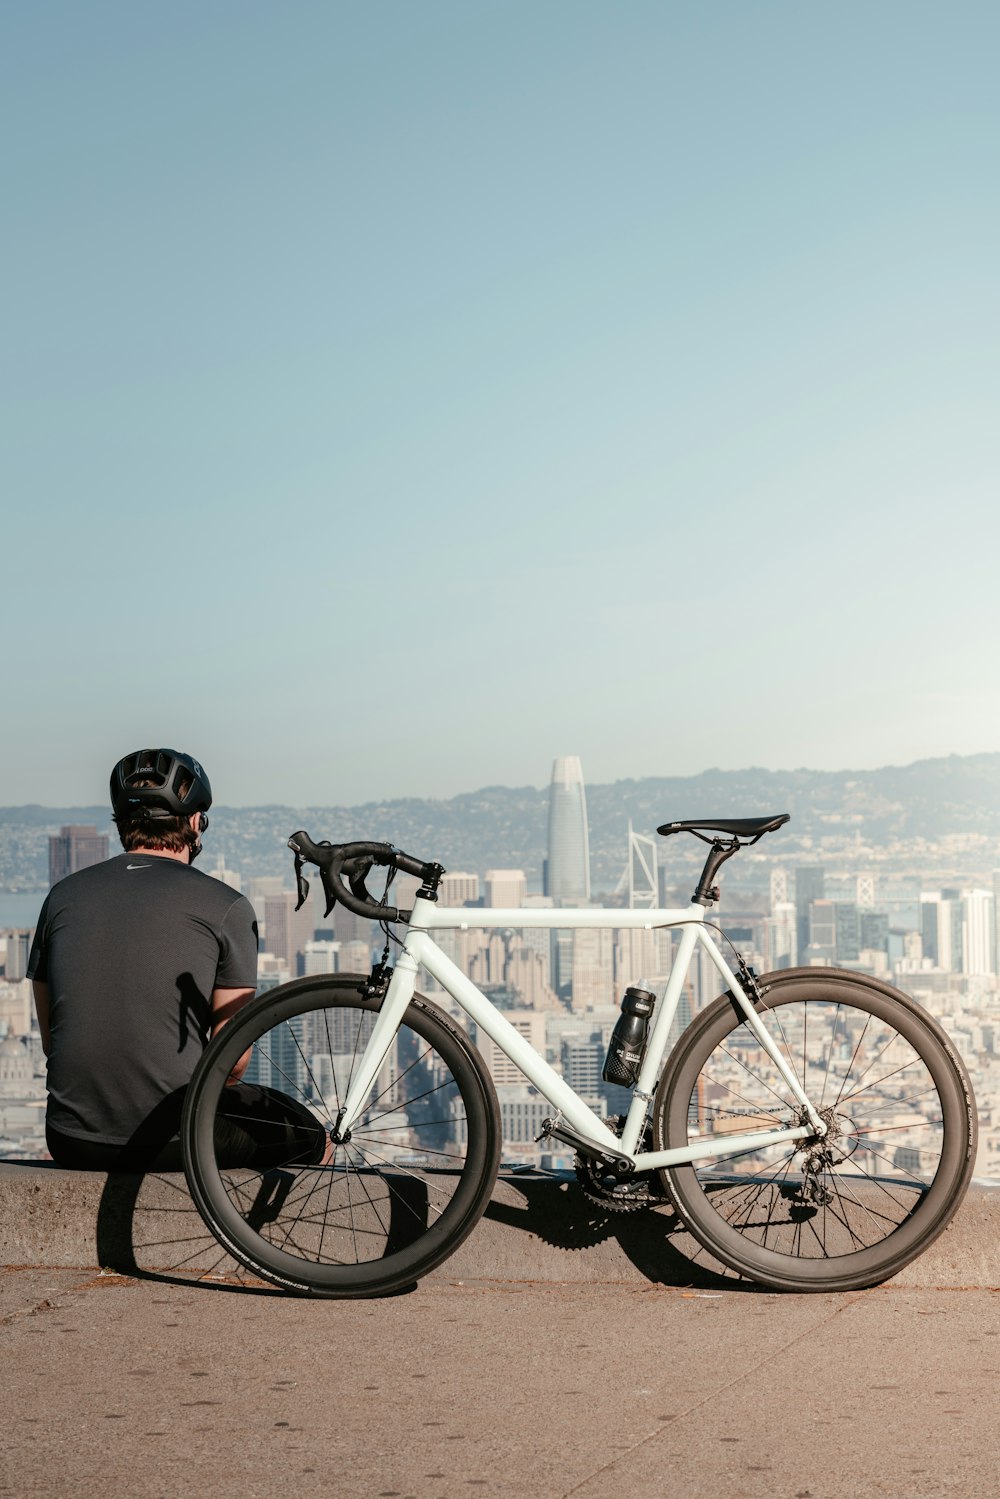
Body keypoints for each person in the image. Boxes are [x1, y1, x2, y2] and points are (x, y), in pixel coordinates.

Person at [28, 747, 324, 1172]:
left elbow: (53, 1041)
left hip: (70, 1139)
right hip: (177, 1141)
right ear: (194, 822)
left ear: (122, 824)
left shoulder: (62, 897)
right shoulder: (226, 906)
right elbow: (232, 1062)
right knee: (304, 1129)